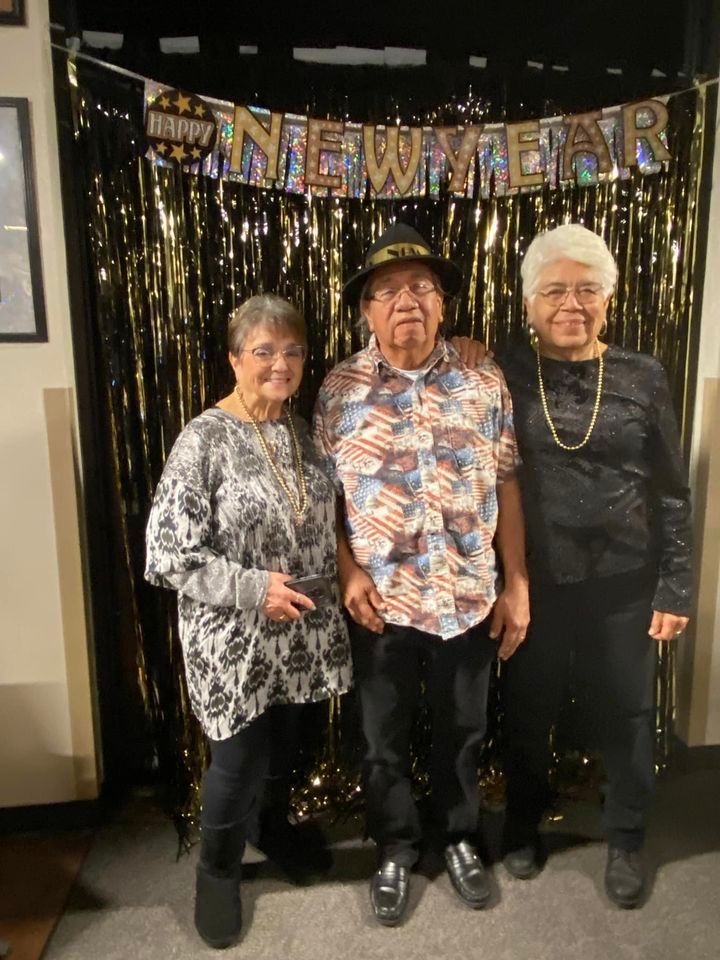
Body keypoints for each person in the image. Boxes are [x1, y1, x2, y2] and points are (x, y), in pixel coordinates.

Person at [455, 223, 692, 908]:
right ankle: (524, 824)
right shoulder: (500, 370)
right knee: (529, 712)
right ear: (529, 304)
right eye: (554, 290)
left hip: (626, 582)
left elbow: (672, 490)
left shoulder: (643, 376)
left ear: (608, 300)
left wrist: (676, 584)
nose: (571, 303)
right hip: (537, 584)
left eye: (587, 289)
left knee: (627, 714)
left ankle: (625, 836)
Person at [313, 223, 530, 926]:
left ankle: (462, 838)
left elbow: (509, 483)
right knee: (382, 741)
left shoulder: (482, 377)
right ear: (366, 312)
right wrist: (347, 571)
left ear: (443, 306)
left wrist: (516, 581)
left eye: (422, 288)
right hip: (382, 601)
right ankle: (397, 848)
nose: (406, 300)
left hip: (468, 596)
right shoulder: (338, 390)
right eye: (387, 291)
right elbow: (327, 500)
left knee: (464, 732)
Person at [145, 294, 352, 949]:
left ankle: (274, 826)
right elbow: (166, 553)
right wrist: (252, 588)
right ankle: (217, 871)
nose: (280, 364)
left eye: (292, 351)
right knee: (237, 758)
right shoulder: (204, 438)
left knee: (289, 742)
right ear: (235, 359)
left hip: (301, 630)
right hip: (231, 635)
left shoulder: (305, 431)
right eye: (264, 351)